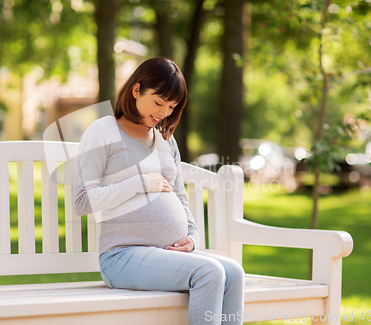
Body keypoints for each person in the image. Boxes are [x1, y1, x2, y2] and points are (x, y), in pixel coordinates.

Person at [74, 57, 245, 325]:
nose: (164, 113)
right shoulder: (103, 131)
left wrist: (192, 238)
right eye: (158, 102)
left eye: (171, 107)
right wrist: (139, 183)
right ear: (136, 90)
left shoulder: (166, 139)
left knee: (234, 272)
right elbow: (82, 201)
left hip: (167, 255)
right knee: (209, 271)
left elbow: (179, 198)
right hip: (121, 256)